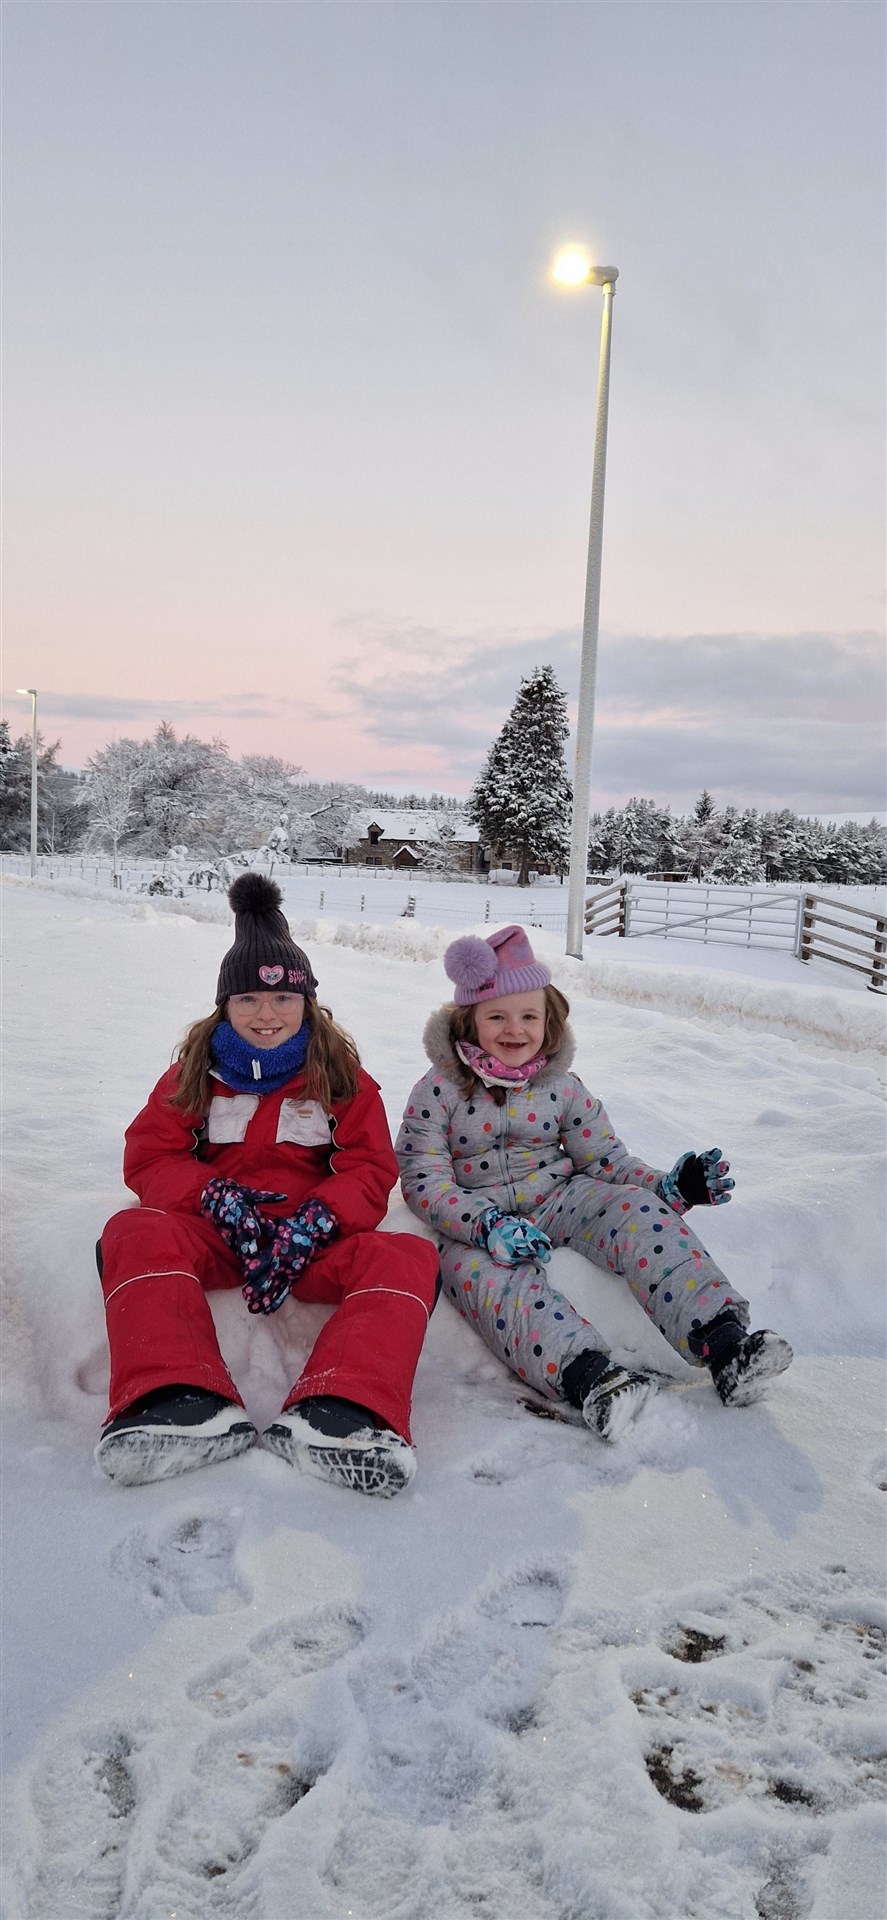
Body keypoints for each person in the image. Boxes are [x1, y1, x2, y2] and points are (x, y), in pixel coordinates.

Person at [96, 874, 439, 1496]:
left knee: (408, 1253)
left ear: (307, 1003)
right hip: (217, 1237)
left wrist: (318, 1222)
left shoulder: (341, 1079)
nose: (266, 1013)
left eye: (282, 999)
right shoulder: (194, 1073)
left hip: (308, 1246)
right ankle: (177, 1396)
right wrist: (212, 1198)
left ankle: (346, 1410)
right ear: (223, 1004)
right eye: (249, 998)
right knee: (133, 1230)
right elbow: (150, 1156)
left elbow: (370, 1170)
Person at [395, 925, 792, 1442]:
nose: (514, 1030)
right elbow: (423, 1178)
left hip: (560, 1198)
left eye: (529, 1016)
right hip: (478, 1222)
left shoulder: (561, 1086)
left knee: (636, 1212)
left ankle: (726, 1345)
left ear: (549, 1019)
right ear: (467, 1021)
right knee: (487, 1282)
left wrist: (668, 1188)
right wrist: (484, 1225)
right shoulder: (437, 1090)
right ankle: (591, 1378)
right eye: (497, 1016)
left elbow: (604, 1159)